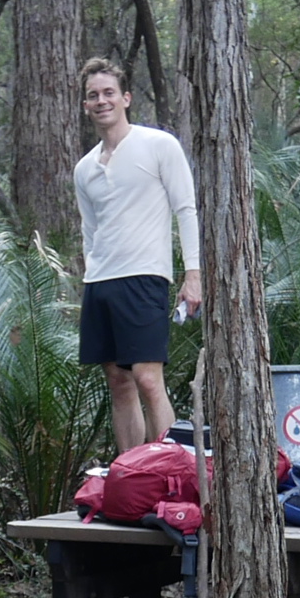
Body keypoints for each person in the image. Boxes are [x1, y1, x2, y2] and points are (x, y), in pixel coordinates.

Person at [72, 58, 202, 456]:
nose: (101, 101)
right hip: (100, 284)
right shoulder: (84, 168)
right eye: (93, 95)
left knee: (147, 379)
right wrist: (90, 276)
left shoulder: (158, 145)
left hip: (145, 277)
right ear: (85, 105)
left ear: (126, 98)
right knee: (118, 380)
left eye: (109, 93)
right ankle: (129, 473)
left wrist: (193, 274)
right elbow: (90, 231)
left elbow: (186, 209)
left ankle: (168, 472)